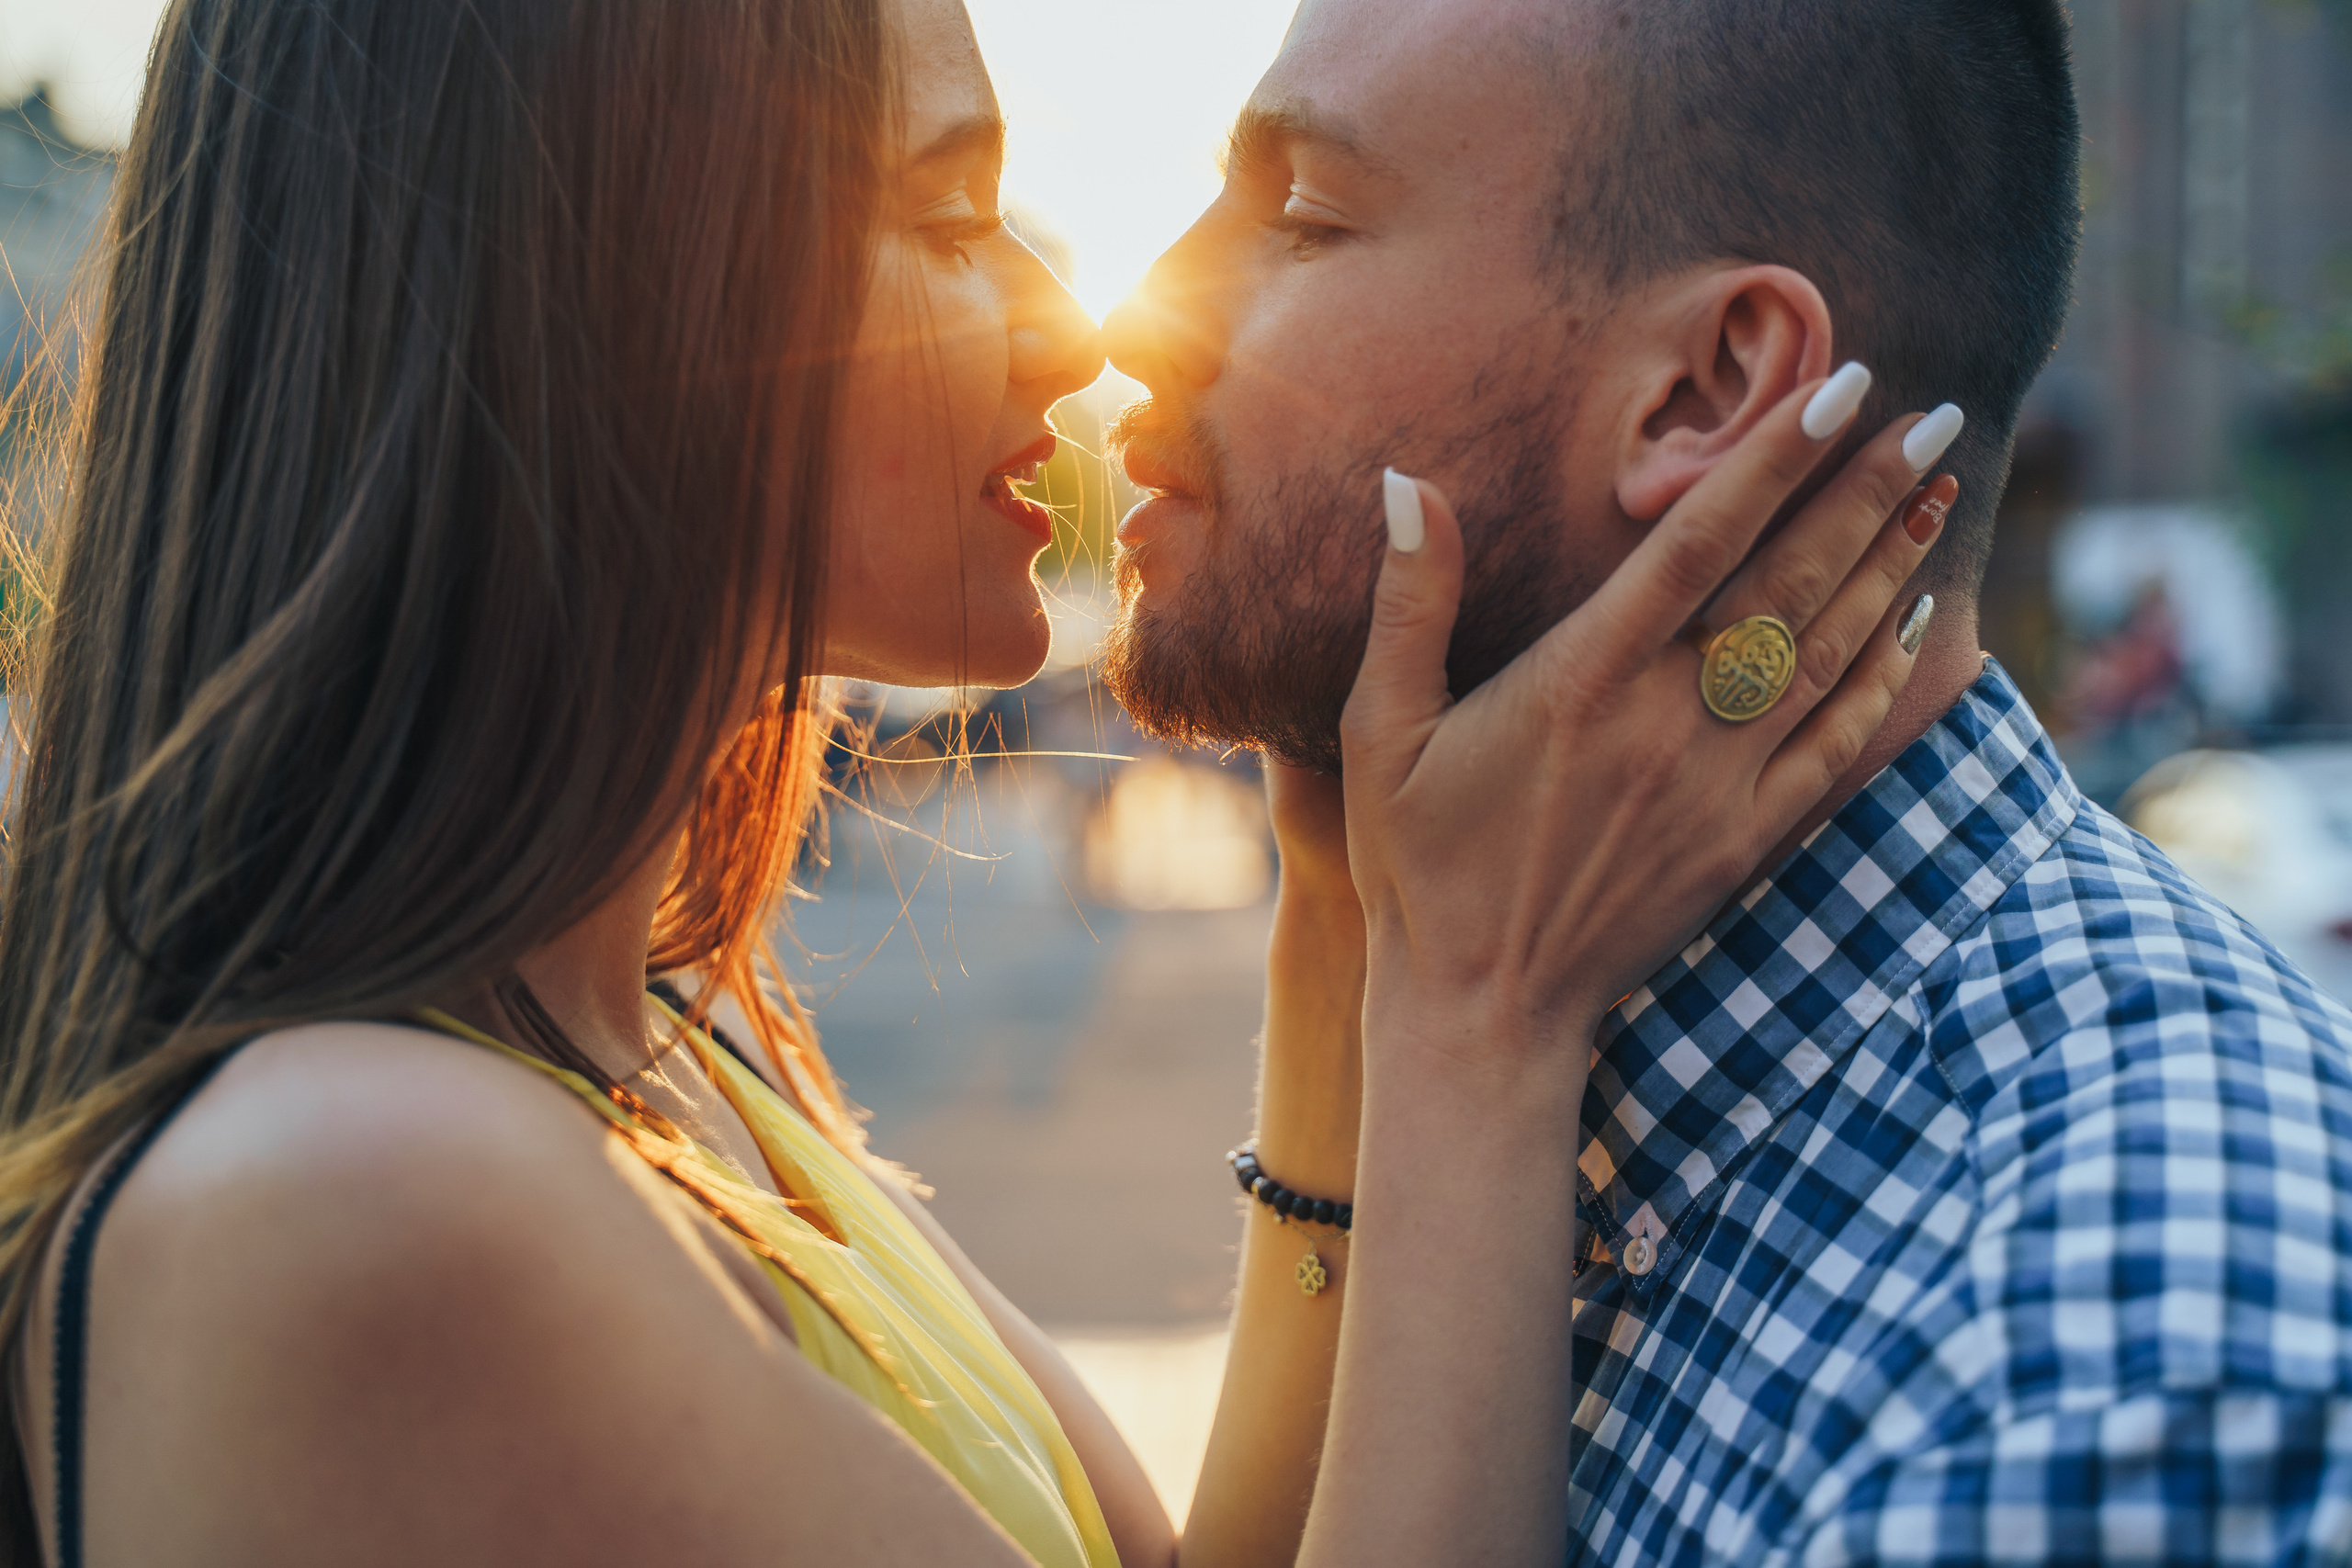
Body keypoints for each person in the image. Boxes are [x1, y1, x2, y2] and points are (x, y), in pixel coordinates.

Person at [0, 0, 1946, 1564]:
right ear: (618, 297)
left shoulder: (656, 1038)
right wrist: (1487, 1017)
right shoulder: (371, 1194)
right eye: (951, 216)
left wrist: (1345, 925)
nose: (1074, 322)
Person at [1102, 0, 2352, 1560]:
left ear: (1707, 391)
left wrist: (1463, 1010)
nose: (1135, 318)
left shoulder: (2110, 1360)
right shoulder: (1576, 1054)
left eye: (1301, 220)